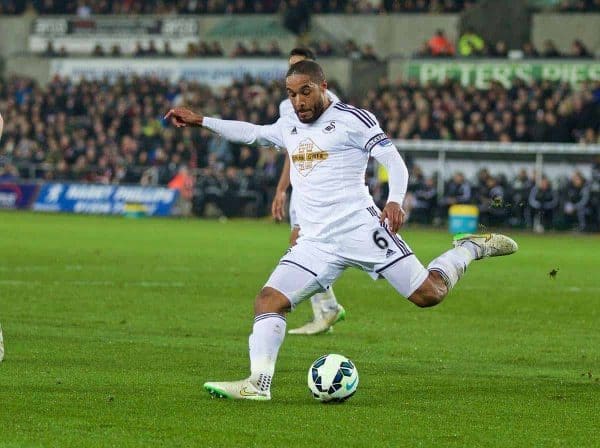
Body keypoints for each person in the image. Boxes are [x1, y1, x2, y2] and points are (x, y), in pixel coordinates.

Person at [165, 60, 518, 401]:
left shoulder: (352, 120)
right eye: (291, 94)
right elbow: (253, 133)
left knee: (428, 294)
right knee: (268, 300)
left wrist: (395, 201)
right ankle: (259, 383)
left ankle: (470, 248)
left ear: (323, 87)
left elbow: (393, 161)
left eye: (305, 92)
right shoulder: (290, 125)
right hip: (316, 242)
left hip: (361, 229)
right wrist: (201, 121)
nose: (299, 102)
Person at [271, 47, 346, 336]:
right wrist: (281, 189)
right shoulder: (286, 107)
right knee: (300, 247)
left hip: (320, 189)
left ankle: (326, 309)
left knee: (303, 246)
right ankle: (326, 308)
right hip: (300, 187)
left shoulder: (330, 104)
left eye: (299, 66)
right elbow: (292, 152)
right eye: (290, 67)